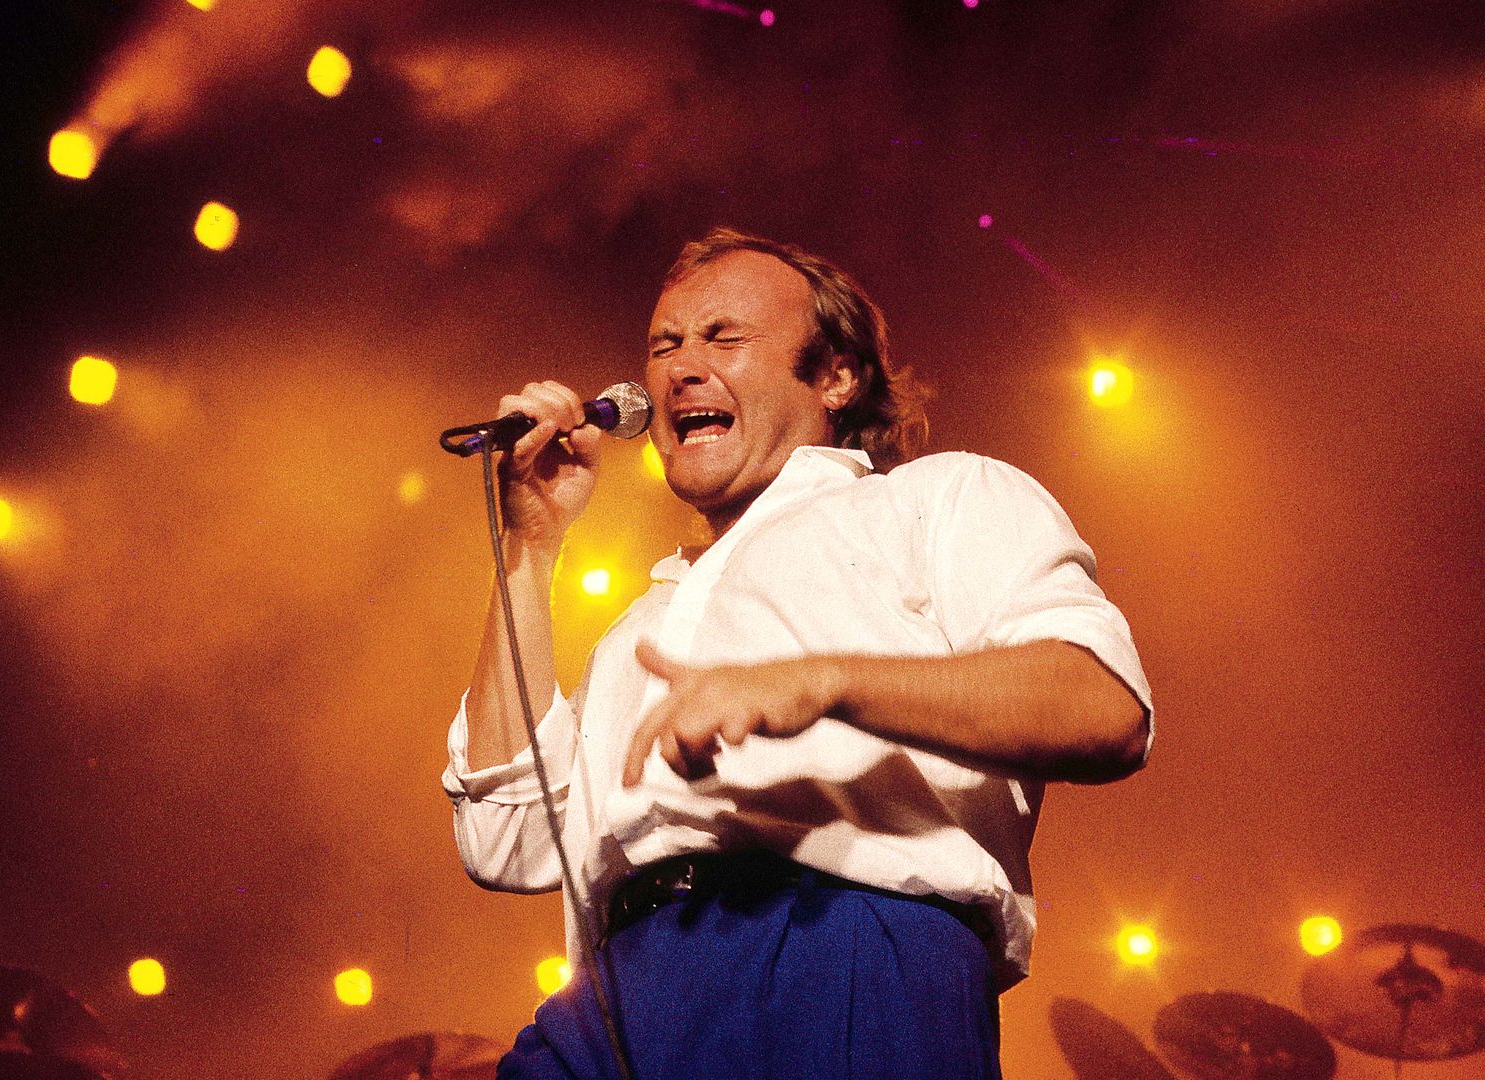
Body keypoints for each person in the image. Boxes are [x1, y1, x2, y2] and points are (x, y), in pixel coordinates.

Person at [441, 228, 1153, 1080]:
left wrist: (827, 680)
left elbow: (1102, 707)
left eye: (723, 337)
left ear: (837, 376)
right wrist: (531, 548)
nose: (678, 368)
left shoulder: (937, 499)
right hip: (614, 995)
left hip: (844, 947)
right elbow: (505, 833)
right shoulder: (644, 625)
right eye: (664, 344)